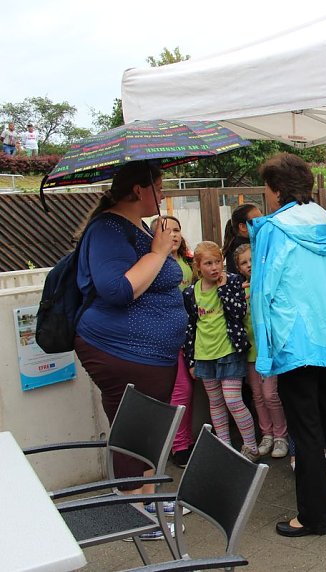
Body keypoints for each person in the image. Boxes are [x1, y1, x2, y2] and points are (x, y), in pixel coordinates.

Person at [249, 152, 326, 538]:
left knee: (307, 430)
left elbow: (261, 293)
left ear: (277, 189)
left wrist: (264, 350)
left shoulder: (272, 230)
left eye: (266, 187)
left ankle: (314, 516)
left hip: (295, 339)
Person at [74, 161, 185, 519]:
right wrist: (158, 252)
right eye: (159, 185)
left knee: (150, 428)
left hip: (151, 353)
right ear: (140, 190)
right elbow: (117, 289)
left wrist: (163, 248)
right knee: (135, 430)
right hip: (122, 349)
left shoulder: (135, 227)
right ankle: (136, 511)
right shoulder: (107, 228)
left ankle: (150, 498)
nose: (164, 192)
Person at [182, 241, 259, 461]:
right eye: (208, 263)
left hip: (230, 351)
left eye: (218, 262)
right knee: (215, 403)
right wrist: (191, 360)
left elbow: (238, 312)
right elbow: (190, 327)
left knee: (233, 400)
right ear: (198, 267)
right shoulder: (190, 293)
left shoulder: (232, 282)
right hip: (204, 355)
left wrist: (224, 289)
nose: (215, 267)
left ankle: (251, 446)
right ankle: (224, 446)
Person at [234, 244, 289, 459]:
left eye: (251, 260)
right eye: (244, 263)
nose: (249, 265)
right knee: (257, 395)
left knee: (270, 395)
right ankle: (266, 434)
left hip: (269, 351)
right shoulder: (240, 290)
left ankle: (280, 435)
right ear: (239, 268)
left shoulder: (268, 285)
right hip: (251, 352)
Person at [150, 215, 196, 468]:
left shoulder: (188, 261)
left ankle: (183, 442)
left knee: (189, 388)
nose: (174, 235)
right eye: (167, 231)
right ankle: (179, 446)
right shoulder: (153, 263)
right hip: (166, 336)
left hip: (191, 334)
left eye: (177, 229)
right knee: (181, 390)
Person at [222, 203, 263, 274]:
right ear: (243, 227)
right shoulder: (242, 248)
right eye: (257, 221)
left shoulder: (233, 243)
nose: (263, 223)